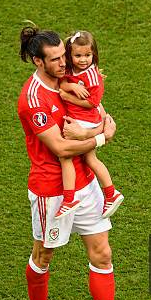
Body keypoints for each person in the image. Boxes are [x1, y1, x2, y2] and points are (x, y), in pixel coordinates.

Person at [17, 24, 139, 300]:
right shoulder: (33, 101)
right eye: (55, 59)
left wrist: (99, 122)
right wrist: (103, 136)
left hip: (85, 185)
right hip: (52, 192)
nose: (63, 63)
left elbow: (93, 107)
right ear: (37, 62)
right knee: (44, 255)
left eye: (63, 56)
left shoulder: (71, 73)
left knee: (103, 253)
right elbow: (60, 148)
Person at [54, 30, 124, 220]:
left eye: (88, 55)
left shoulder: (93, 77)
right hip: (79, 117)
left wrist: (68, 96)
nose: (83, 60)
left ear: (94, 54)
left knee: (66, 156)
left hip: (85, 119)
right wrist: (71, 86)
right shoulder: (70, 68)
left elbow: (93, 103)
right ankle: (110, 193)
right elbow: (62, 81)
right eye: (78, 55)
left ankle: (69, 200)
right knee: (89, 159)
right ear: (70, 54)